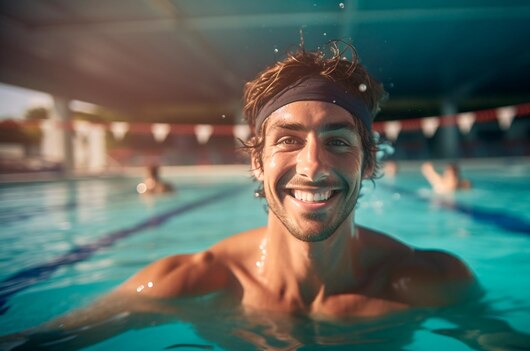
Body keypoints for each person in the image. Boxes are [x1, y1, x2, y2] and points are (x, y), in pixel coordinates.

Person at [0, 41, 488, 350]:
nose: (313, 166)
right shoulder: (189, 282)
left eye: (339, 141)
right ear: (256, 161)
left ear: (370, 161)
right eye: (288, 140)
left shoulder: (427, 280)